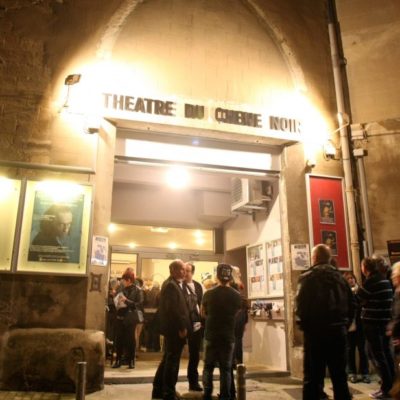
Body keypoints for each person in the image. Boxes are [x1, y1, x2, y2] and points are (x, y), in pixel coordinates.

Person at [296, 244, 354, 400]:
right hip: (338, 333)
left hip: (315, 334)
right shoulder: (341, 279)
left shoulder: (306, 278)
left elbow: (300, 308)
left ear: (314, 258)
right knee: (340, 377)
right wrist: (344, 325)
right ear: (329, 259)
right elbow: (352, 305)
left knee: (312, 378)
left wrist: (306, 327)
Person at [152, 260, 191, 400]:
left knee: (168, 359)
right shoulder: (170, 285)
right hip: (174, 330)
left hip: (174, 329)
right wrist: (182, 327)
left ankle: (158, 389)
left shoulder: (174, 284)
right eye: (181, 269)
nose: (184, 272)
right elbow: (173, 309)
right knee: (172, 361)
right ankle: (168, 392)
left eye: (185, 269)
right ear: (173, 270)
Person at [201, 263, 242, 400]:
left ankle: (207, 394)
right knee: (226, 369)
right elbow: (236, 314)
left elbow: (203, 313)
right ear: (230, 277)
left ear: (217, 276)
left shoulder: (208, 293)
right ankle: (225, 396)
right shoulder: (236, 295)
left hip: (211, 334)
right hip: (228, 335)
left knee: (208, 367)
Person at [357, 256, 394, 399]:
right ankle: (389, 384)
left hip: (373, 324)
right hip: (384, 322)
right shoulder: (385, 280)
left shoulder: (371, 282)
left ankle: (386, 388)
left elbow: (358, 299)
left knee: (377, 355)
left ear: (365, 268)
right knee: (385, 354)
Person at [343, 271, 370, 384]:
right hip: (350, 326)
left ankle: (365, 373)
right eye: (348, 279)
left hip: (360, 325)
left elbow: (365, 303)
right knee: (350, 350)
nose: (351, 280)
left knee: (362, 350)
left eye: (352, 278)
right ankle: (352, 373)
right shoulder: (344, 293)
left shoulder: (360, 291)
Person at [112, 270, 143, 369]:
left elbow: (139, 304)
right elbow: (116, 301)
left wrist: (126, 301)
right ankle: (118, 360)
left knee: (131, 340)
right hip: (120, 317)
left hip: (130, 319)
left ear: (129, 280)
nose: (122, 282)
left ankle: (131, 361)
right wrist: (117, 303)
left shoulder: (138, 290)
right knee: (119, 340)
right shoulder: (121, 289)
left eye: (124, 280)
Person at [184, 262, 204, 392]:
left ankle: (193, 381)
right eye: (184, 270)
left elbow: (201, 303)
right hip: (183, 322)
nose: (185, 273)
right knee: (172, 355)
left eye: (188, 271)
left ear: (192, 273)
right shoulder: (179, 285)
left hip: (196, 323)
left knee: (195, 353)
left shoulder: (198, 286)